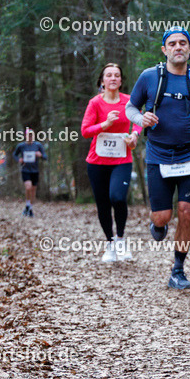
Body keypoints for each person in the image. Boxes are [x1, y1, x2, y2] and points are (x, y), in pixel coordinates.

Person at [125, 27, 190, 289]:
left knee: (187, 212)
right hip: (159, 155)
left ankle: (178, 269)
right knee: (162, 217)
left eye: (183, 43)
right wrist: (140, 119)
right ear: (164, 50)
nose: (178, 47)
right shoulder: (149, 77)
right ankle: (158, 225)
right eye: (172, 44)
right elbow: (130, 107)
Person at [81, 63, 142, 263]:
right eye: (109, 75)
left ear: (121, 80)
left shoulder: (128, 101)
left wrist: (134, 135)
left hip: (122, 159)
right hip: (97, 161)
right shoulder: (95, 103)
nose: (113, 78)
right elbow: (85, 130)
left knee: (117, 197)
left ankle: (121, 239)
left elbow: (138, 121)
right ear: (102, 80)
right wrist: (104, 125)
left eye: (117, 75)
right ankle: (109, 244)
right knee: (103, 204)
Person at [13, 128, 46, 217]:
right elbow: (14, 155)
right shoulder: (21, 146)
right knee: (28, 187)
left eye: (31, 135)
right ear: (25, 136)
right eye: (28, 135)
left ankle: (29, 208)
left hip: (35, 170)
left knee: (33, 191)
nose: (30, 137)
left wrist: (41, 155)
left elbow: (45, 156)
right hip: (25, 170)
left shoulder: (38, 145)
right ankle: (28, 206)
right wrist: (19, 159)